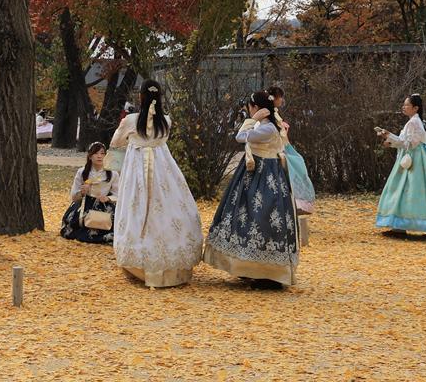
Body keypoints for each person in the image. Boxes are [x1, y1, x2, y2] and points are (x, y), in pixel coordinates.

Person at [204, 90, 300, 287]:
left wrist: (250, 119)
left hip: (265, 175)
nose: (249, 110)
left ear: (257, 108)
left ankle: (267, 273)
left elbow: (241, 137)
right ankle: (248, 267)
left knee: (261, 217)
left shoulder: (269, 129)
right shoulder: (267, 125)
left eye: (250, 107)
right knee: (246, 217)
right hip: (255, 173)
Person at [112, 81, 203, 287]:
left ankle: (141, 264)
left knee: (138, 207)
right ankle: (172, 265)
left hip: (137, 169)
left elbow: (115, 142)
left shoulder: (131, 120)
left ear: (141, 97)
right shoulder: (166, 120)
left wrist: (133, 141)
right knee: (166, 207)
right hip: (164, 168)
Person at [374, 93, 426, 235]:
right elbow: (405, 142)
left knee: (406, 189)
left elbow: (408, 144)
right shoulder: (415, 121)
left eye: (406, 105)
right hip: (415, 158)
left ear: (415, 108)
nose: (403, 107)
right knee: (419, 190)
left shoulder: (413, 122)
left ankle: (400, 226)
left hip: (413, 160)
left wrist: (389, 137)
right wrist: (389, 139)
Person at [269, 85, 316, 246]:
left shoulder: (274, 113)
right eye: (280, 97)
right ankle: (294, 204)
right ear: (274, 97)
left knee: (297, 165)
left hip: (283, 146)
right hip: (279, 149)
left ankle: (297, 203)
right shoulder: (270, 113)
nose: (281, 100)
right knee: (294, 168)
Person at [59, 142, 120, 245]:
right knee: (73, 225)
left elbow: (118, 195)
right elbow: (74, 196)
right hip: (85, 203)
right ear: (90, 156)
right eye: (96, 153)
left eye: (102, 153)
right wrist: (82, 192)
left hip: (103, 204)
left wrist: (108, 198)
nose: (99, 156)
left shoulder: (113, 173)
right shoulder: (82, 172)